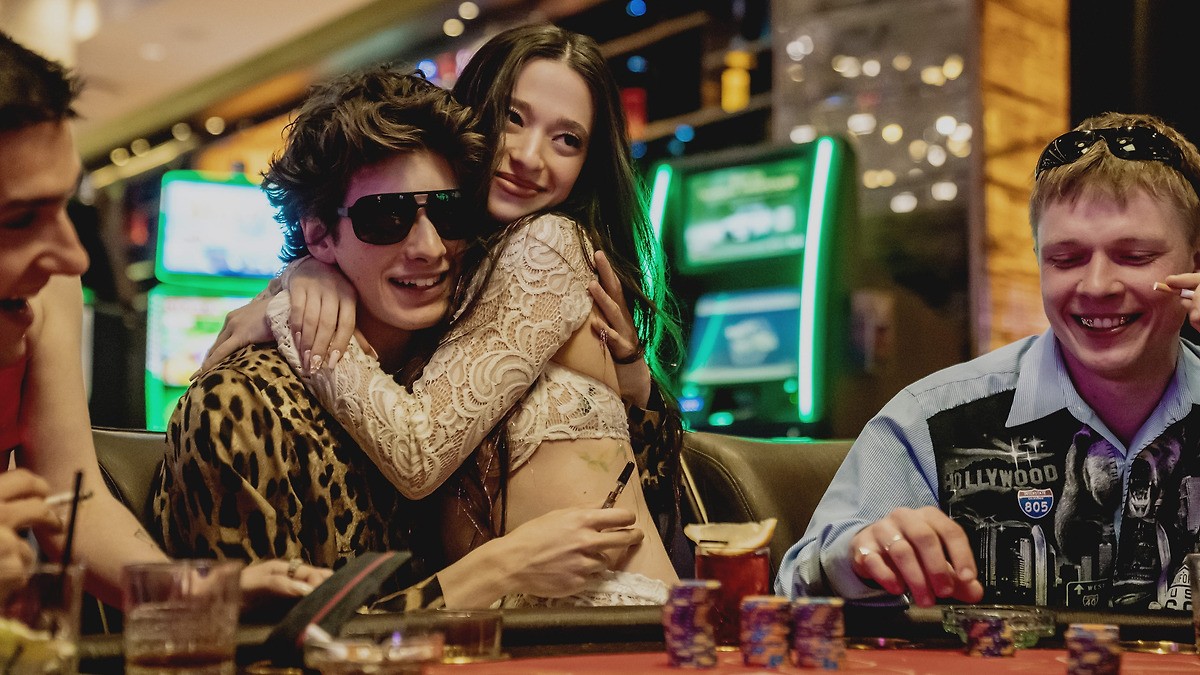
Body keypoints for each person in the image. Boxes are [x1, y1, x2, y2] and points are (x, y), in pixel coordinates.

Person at [200, 24, 685, 606]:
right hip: (501, 626)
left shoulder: (546, 244)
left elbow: (419, 453)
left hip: (602, 618)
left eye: (567, 140)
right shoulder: (458, 274)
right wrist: (307, 272)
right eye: (513, 118)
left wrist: (291, 316)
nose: (530, 158)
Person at [777, 112, 1200, 612]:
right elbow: (793, 588)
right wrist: (857, 558)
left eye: (1134, 256)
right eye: (1066, 259)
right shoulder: (929, 419)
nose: (1096, 286)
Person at [0, 30, 327, 611]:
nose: (73, 258)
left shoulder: (49, 289)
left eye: (63, 206)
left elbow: (69, 500)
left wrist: (201, 592)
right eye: (22, 219)